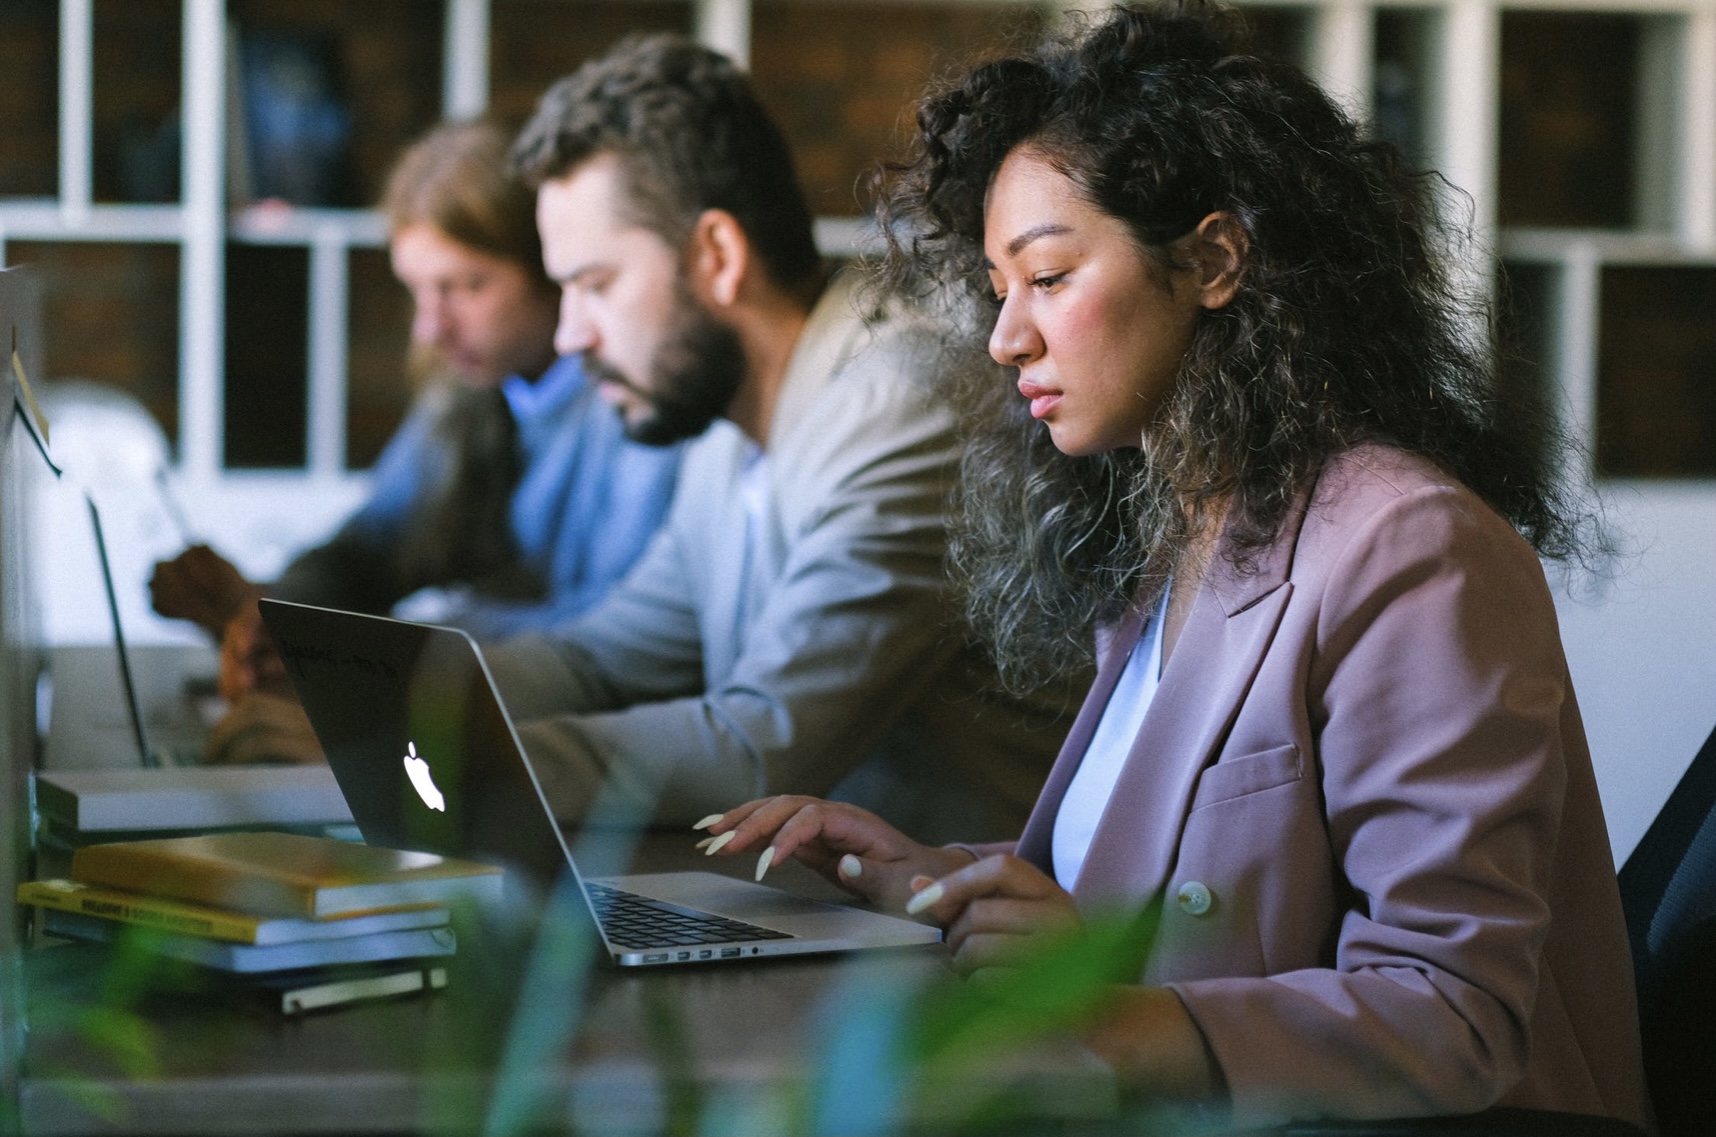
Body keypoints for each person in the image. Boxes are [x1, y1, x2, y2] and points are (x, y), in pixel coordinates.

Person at [695, 3, 1652, 1130]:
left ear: (1211, 259)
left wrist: (1105, 1009)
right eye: (999, 291)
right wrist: (939, 883)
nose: (1007, 338)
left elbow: (1456, 1016)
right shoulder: (1190, 532)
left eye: (1047, 278)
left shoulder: (1409, 549)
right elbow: (1172, 868)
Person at [476, 34, 1076, 844]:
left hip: (976, 949)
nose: (571, 333)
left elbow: (764, 745)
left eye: (596, 284)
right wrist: (398, 689)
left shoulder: (905, 403)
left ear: (718, 256)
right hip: (828, 920)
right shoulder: (729, 430)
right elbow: (603, 659)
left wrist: (456, 754)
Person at [149, 118, 683, 762]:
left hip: (593, 755)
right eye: (418, 292)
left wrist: (369, 653)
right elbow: (368, 551)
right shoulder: (471, 391)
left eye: (464, 287)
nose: (431, 327)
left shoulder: (641, 402)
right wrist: (279, 612)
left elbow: (612, 640)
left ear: (553, 268)